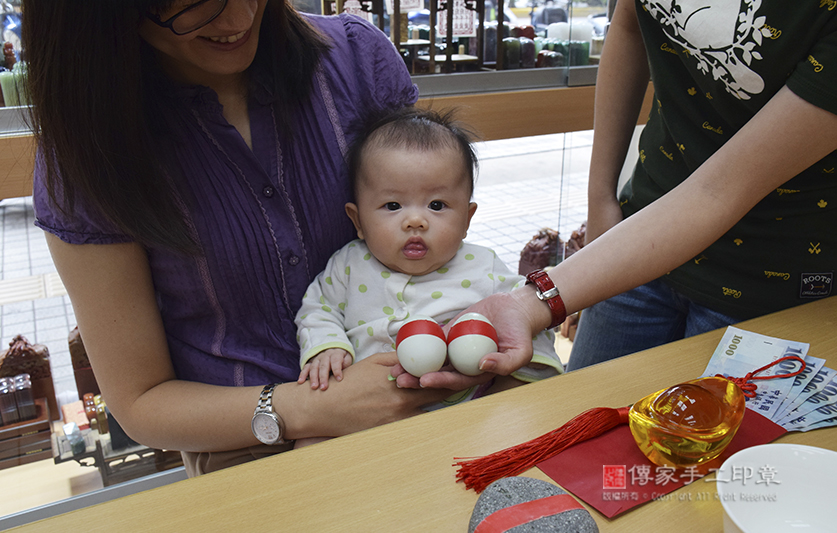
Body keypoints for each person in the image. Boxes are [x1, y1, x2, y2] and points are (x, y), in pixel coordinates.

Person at [25, 0, 454, 476]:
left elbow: (439, 241)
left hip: (419, 395)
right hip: (245, 446)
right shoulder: (90, 151)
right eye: (190, 6)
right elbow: (140, 401)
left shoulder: (353, 61)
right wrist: (310, 408)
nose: (237, 21)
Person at [391, 0, 836, 390]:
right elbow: (628, 25)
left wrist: (532, 302)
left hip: (770, 274)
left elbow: (716, 191)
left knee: (700, 470)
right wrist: (602, 202)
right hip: (639, 231)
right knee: (581, 439)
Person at [294, 108, 562, 404]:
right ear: (358, 221)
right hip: (366, 406)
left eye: (436, 205)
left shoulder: (484, 267)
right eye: (393, 205)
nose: (415, 221)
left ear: (466, 220)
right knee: (310, 445)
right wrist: (327, 346)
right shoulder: (347, 266)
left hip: (464, 405)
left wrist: (507, 381)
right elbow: (318, 309)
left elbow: (527, 323)